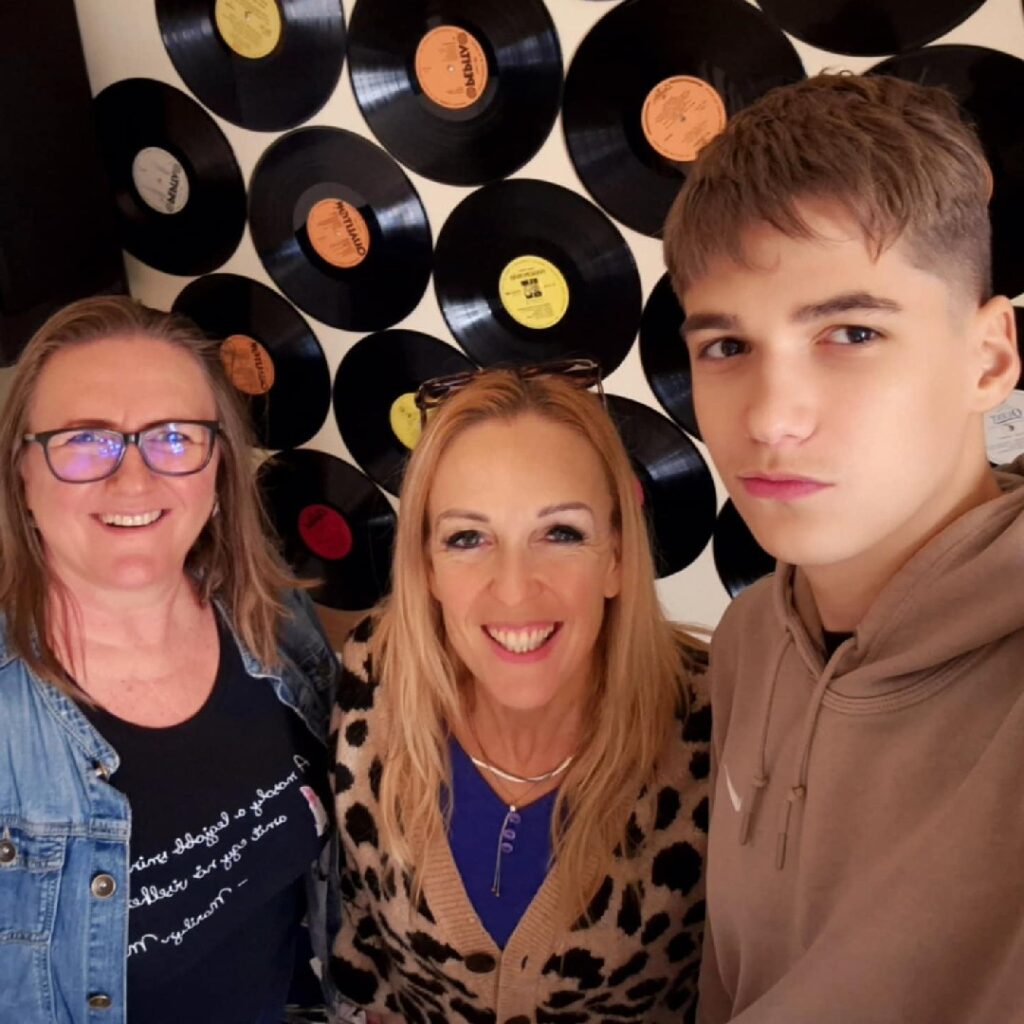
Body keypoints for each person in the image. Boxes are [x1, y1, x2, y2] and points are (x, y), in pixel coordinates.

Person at [662, 72, 1024, 1022]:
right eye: (727, 347)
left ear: (989, 358)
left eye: (851, 332)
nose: (770, 419)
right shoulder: (747, 640)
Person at [327, 361, 711, 1023]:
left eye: (561, 533)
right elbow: (363, 947)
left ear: (616, 558)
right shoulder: (375, 674)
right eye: (467, 538)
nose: (513, 589)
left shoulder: (721, 719)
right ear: (427, 567)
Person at [0, 296, 344, 1024]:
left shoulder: (275, 618)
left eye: (175, 437)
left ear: (219, 468)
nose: (133, 480)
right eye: (85, 439)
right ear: (22, 475)